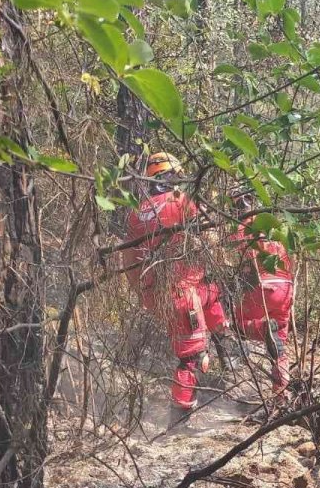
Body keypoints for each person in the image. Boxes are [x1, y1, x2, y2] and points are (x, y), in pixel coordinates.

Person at [123, 152, 228, 410]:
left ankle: (222, 347)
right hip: (181, 293)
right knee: (193, 357)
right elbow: (210, 239)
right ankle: (179, 414)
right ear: (171, 176)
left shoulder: (135, 213)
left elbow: (128, 262)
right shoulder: (181, 201)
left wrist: (144, 294)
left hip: (156, 294)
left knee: (212, 292)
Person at [230, 202, 294, 397]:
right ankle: (281, 393)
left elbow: (234, 258)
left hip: (263, 286)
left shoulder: (242, 227)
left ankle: (264, 328)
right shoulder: (277, 226)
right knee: (279, 342)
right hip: (286, 288)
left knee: (237, 324)